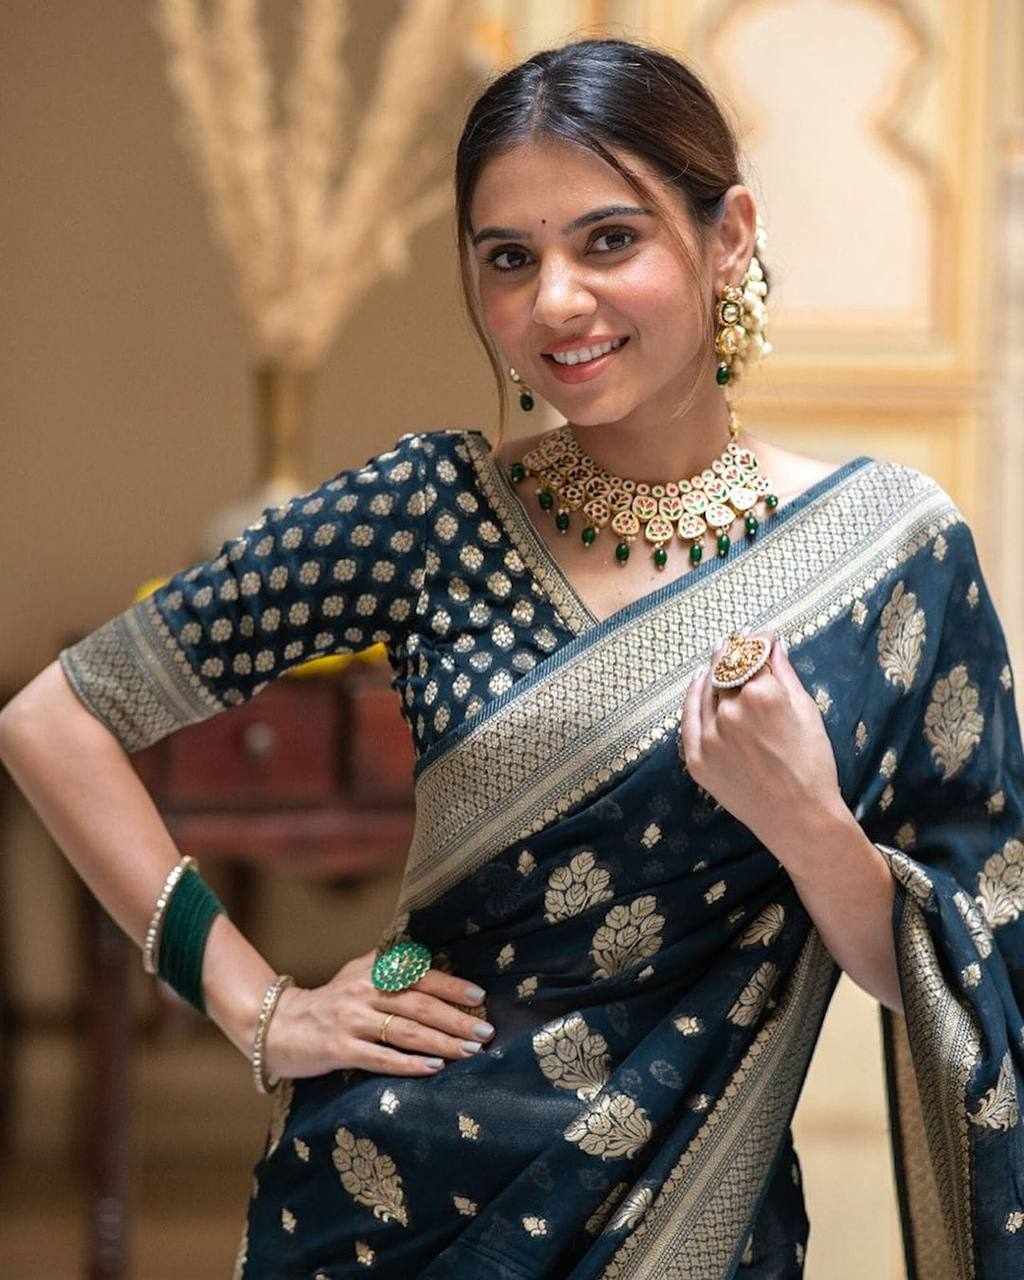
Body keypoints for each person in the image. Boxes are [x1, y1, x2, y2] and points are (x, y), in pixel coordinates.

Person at [1, 34, 1022, 1280]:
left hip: (692, 1219)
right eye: (507, 258)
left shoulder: (888, 555)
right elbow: (52, 719)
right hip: (384, 1208)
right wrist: (260, 1008)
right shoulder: (432, 511)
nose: (555, 303)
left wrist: (807, 820)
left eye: (609, 240)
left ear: (729, 236)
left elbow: (960, 976)